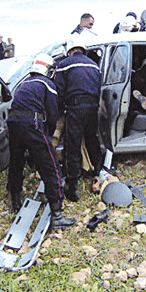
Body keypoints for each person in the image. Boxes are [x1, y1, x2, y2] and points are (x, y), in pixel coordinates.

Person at [6, 53, 76, 230]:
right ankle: (57, 215)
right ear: (48, 69)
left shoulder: (24, 83)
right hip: (32, 123)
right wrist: (49, 137)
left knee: (16, 162)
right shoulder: (47, 84)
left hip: (14, 123)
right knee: (50, 165)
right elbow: (52, 115)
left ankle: (15, 198)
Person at [55, 37, 102, 202]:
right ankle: (97, 172)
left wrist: (58, 111)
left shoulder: (64, 64)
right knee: (92, 140)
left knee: (72, 145)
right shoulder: (94, 65)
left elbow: (59, 91)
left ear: (70, 50)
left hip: (75, 108)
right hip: (93, 108)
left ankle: (73, 186)